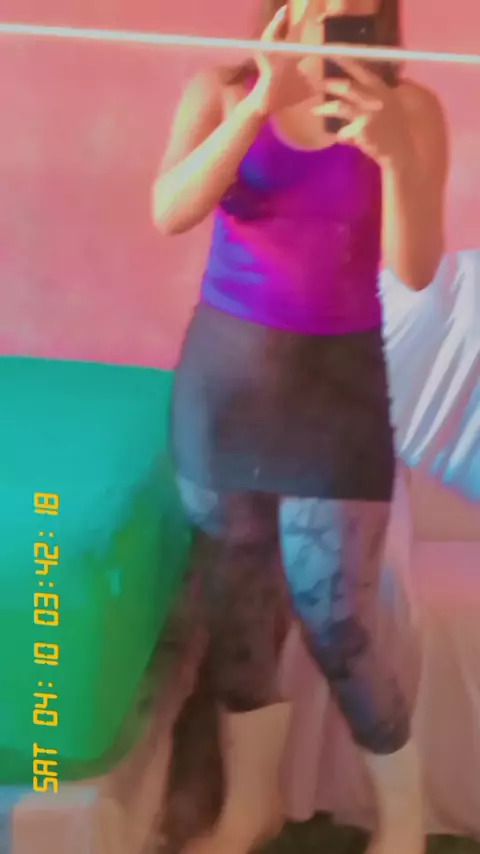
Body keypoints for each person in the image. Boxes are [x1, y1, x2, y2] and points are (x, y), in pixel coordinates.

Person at [152, 0, 448, 852]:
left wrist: (395, 157)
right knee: (237, 618)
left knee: (338, 623)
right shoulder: (218, 88)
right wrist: (256, 104)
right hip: (223, 394)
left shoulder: (410, 108)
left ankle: (404, 826)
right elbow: (170, 210)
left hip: (335, 398)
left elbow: (416, 270)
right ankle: (251, 810)